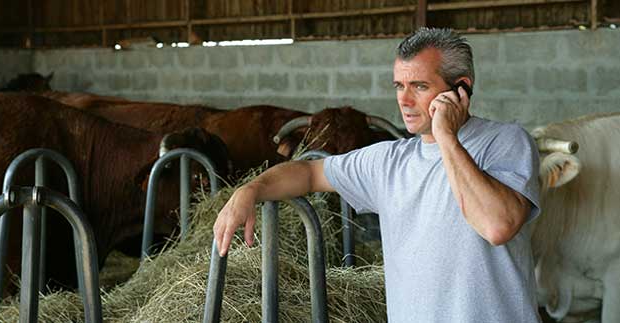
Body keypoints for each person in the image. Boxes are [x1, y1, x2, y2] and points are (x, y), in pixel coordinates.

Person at [213, 27, 541, 322]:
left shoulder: (506, 142)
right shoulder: (390, 161)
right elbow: (309, 172)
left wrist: (447, 138)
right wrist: (250, 190)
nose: (405, 100)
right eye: (399, 85)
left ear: (461, 89)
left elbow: (497, 225)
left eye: (420, 86)